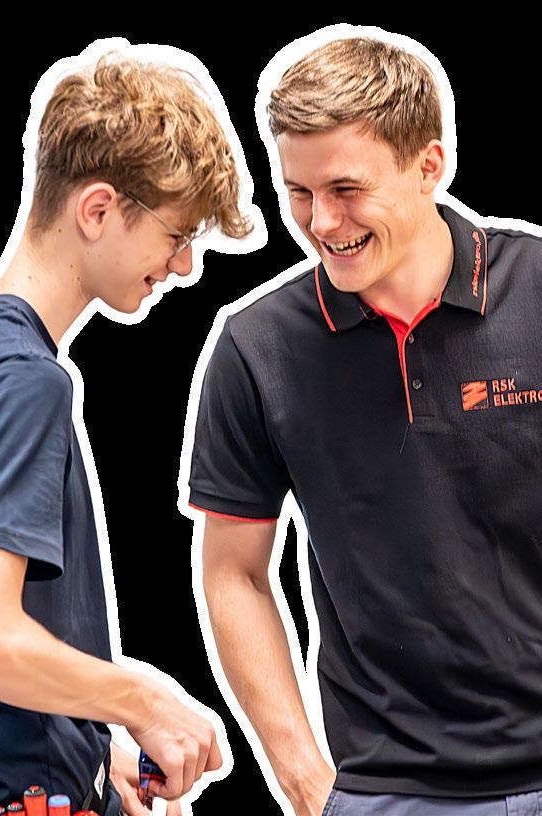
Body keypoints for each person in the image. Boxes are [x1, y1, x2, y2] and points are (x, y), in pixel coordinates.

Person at [0, 49, 254, 816]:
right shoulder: (23, 381)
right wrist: (142, 700)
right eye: (176, 233)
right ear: (97, 210)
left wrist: (83, 744)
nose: (184, 265)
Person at [185, 35, 541, 816]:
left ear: (429, 166)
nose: (322, 221)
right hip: (385, 792)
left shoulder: (537, 292)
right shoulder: (257, 348)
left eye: (346, 188)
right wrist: (302, 777)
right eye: (298, 192)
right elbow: (234, 573)